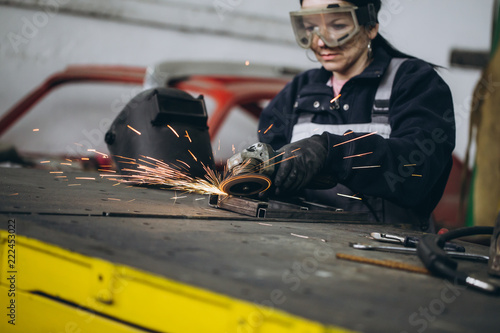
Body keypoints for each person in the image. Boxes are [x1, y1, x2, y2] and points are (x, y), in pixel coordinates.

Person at [257, 0, 456, 230]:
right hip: (303, 245)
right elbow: (272, 172)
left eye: (338, 25)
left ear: (370, 26)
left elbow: (416, 169)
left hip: (390, 254)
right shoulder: (297, 91)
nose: (321, 41)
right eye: (310, 28)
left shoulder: (414, 82)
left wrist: (330, 152)